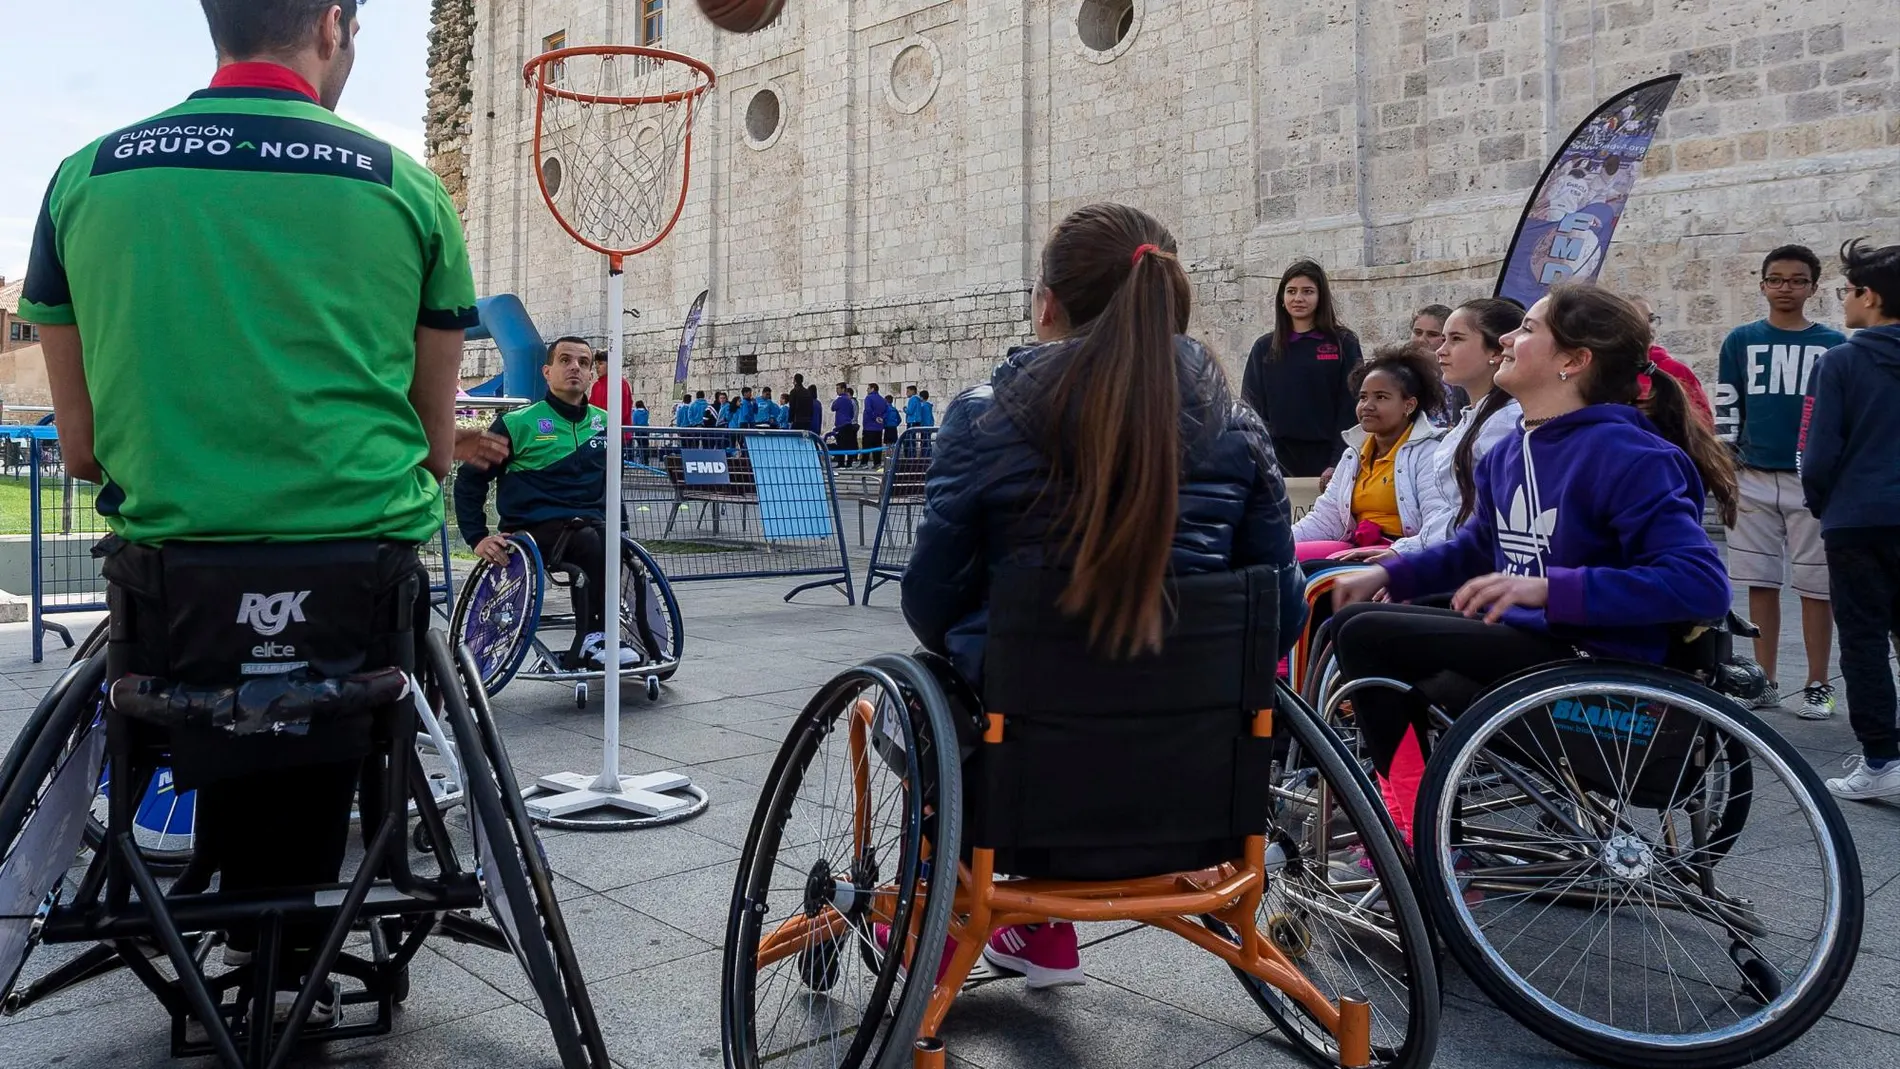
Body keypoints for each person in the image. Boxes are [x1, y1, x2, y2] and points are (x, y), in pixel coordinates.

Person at [16, 0, 474, 1020]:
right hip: (358, 598)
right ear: (331, 25)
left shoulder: (87, 177)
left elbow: (82, 447)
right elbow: (436, 449)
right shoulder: (408, 186)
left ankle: (226, 909)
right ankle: (309, 923)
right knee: (356, 647)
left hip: (175, 602)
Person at [901, 203, 1304, 987]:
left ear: (1047, 303)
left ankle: (972, 925)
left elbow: (931, 602)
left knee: (921, 701)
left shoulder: (984, 418)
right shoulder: (1240, 427)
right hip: (1200, 777)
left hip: (1019, 772)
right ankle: (1038, 936)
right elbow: (1280, 618)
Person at [1327, 285, 1737, 843]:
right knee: (1351, 619)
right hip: (1536, 640)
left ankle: (1416, 828)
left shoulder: (1628, 454)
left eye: (1527, 330)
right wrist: (1388, 573)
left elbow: (1700, 584)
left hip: (1593, 656)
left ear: (1573, 361)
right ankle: (1412, 806)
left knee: (1370, 634)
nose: (1508, 341)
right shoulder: (1510, 448)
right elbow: (1476, 548)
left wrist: (1547, 589)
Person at [1714, 245, 1848, 718]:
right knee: (1760, 582)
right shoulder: (1740, 341)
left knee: (1816, 586)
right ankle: (1765, 680)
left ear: (1813, 286)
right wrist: (1726, 464)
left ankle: (1816, 682)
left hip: (1810, 481)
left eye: (1796, 280)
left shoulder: (1834, 344)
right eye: (1776, 279)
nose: (1785, 288)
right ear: (1762, 284)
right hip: (1750, 477)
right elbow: (1728, 405)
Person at [454, 338, 637, 670]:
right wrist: (477, 536)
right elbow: (470, 479)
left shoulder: (604, 424)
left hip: (592, 527)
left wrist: (621, 530)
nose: (575, 368)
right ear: (547, 371)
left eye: (583, 362)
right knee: (590, 541)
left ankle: (624, 635)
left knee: (616, 544)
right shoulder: (516, 423)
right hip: (534, 530)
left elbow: (613, 488)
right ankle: (594, 637)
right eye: (565, 360)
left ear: (592, 374)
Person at [1801, 239, 1900, 800]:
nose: (1845, 301)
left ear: (1872, 296)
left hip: (1858, 519)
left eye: (1848, 290)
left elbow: (1817, 454)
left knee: (1863, 641)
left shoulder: (1840, 360)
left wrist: (1824, 505)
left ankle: (1881, 760)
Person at [1290, 344, 1447, 561]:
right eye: (1363, 397)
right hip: (1355, 547)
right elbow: (1325, 518)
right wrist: (1276, 541)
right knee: (1280, 558)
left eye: (1381, 397)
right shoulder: (1352, 455)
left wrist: (1398, 552)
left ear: (1409, 405)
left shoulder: (1431, 454)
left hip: (1401, 554)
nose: (1367, 406)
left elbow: (1439, 523)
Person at [1241, 259, 1364, 477]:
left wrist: (1338, 461)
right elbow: (1251, 411)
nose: (1298, 298)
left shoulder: (1344, 344)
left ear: (1320, 297)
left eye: (1307, 291)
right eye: (1291, 291)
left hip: (1328, 462)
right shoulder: (1264, 348)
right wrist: (1263, 461)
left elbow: (1350, 406)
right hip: (1277, 463)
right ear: (1282, 298)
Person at [1625, 295, 1713, 425]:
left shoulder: (1676, 370)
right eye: (1638, 320)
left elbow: (1704, 423)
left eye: (1651, 319)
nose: (1649, 328)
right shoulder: (1604, 372)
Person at [588, 347, 633, 425]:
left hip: (618, 431)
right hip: (599, 430)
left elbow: (623, 411)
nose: (597, 367)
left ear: (610, 365)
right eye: (596, 364)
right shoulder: (596, 386)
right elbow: (592, 409)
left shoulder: (620, 383)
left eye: (601, 363)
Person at [832, 382, 859, 467]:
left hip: (841, 425)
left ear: (843, 389)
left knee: (841, 445)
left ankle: (841, 463)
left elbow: (833, 408)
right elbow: (851, 413)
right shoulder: (849, 400)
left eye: (838, 388)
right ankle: (849, 463)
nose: (837, 390)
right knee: (849, 444)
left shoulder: (839, 400)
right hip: (848, 424)